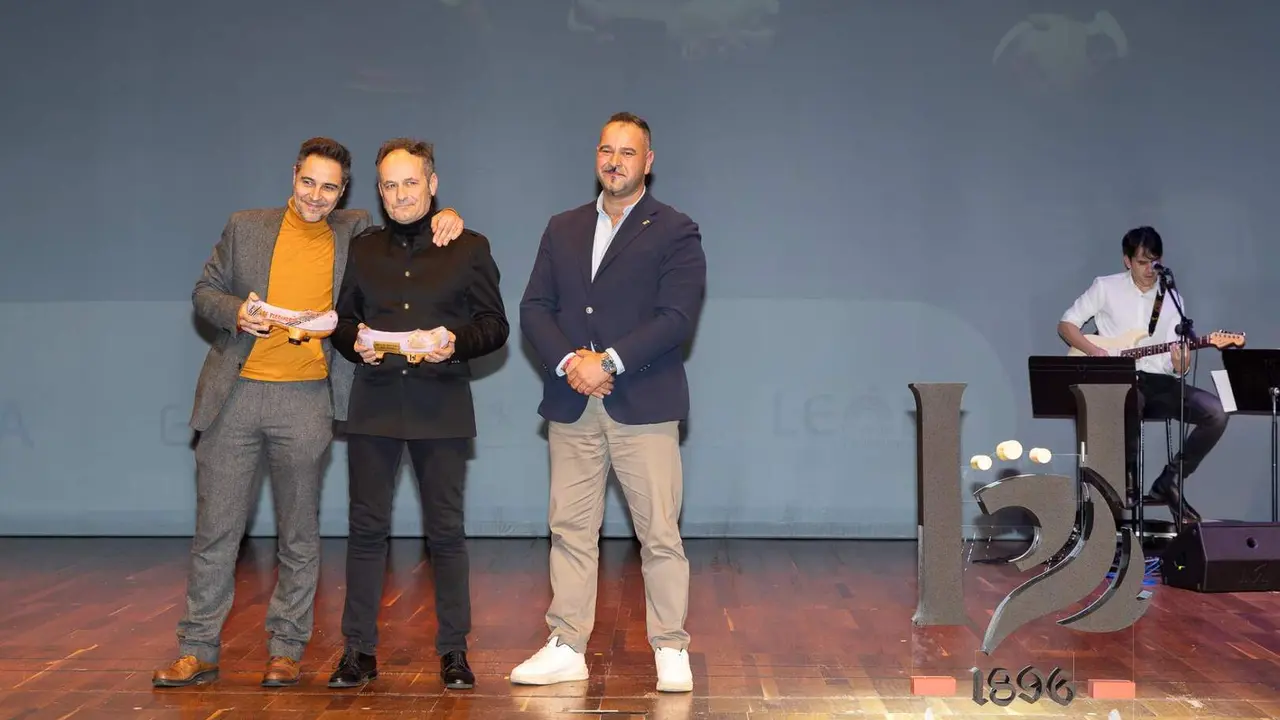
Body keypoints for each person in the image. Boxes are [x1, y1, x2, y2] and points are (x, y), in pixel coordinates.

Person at [152, 137, 464, 689]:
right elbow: (204, 291)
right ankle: (197, 647)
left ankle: (287, 649)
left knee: (299, 534)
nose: (316, 196)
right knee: (215, 532)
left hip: (308, 399)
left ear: (344, 193)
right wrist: (235, 311)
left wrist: (451, 216)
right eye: (308, 182)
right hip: (235, 396)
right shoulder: (245, 226)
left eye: (329, 187)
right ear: (293, 175)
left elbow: (413, 218)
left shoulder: (358, 232)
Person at [514, 112, 706, 693]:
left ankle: (670, 647)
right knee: (570, 529)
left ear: (648, 162)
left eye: (627, 152)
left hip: (643, 402)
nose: (614, 161)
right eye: (606, 150)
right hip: (573, 402)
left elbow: (676, 317)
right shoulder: (563, 226)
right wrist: (573, 364)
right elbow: (533, 309)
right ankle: (567, 643)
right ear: (596, 157)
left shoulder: (675, 229)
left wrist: (611, 362)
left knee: (659, 534)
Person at [326, 138, 508, 691]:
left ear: (432, 183)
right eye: (389, 184)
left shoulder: (468, 245)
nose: (400, 194)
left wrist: (453, 342)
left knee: (446, 534)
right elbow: (343, 320)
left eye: (410, 182)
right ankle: (358, 650)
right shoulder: (364, 249)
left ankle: (454, 650)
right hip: (375, 403)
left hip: (442, 406)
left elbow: (494, 325)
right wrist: (354, 339)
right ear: (378, 192)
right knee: (364, 532)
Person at [1058, 225, 1228, 525]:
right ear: (1127, 260)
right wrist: (1094, 350)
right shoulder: (1105, 287)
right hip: (1118, 379)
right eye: (1141, 262)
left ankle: (1170, 480)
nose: (1149, 269)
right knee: (1128, 399)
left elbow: (1178, 362)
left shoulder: (1171, 298)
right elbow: (1067, 326)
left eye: (1154, 261)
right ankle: (1127, 483)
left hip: (1159, 382)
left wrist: (1181, 362)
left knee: (1216, 412)